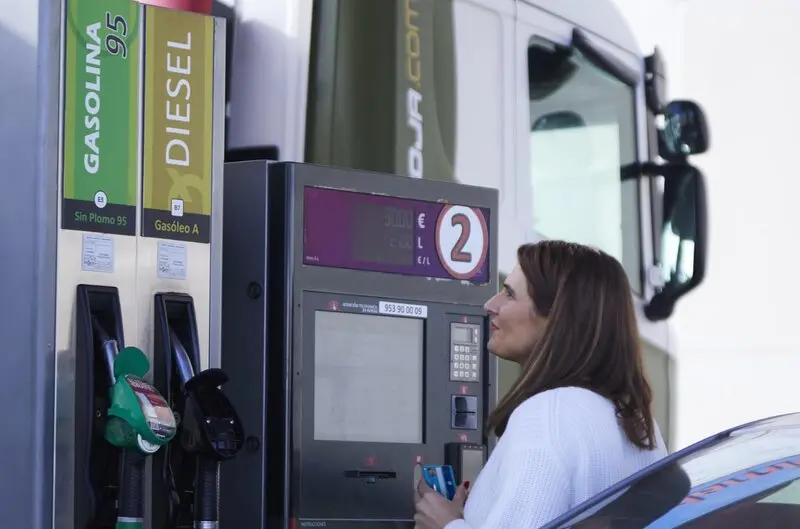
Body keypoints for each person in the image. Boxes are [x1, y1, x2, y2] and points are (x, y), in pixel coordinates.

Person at [413, 240, 668, 529]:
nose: (490, 305)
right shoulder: (640, 425)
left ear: (557, 318)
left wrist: (445, 525)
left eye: (509, 294)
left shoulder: (550, 412)